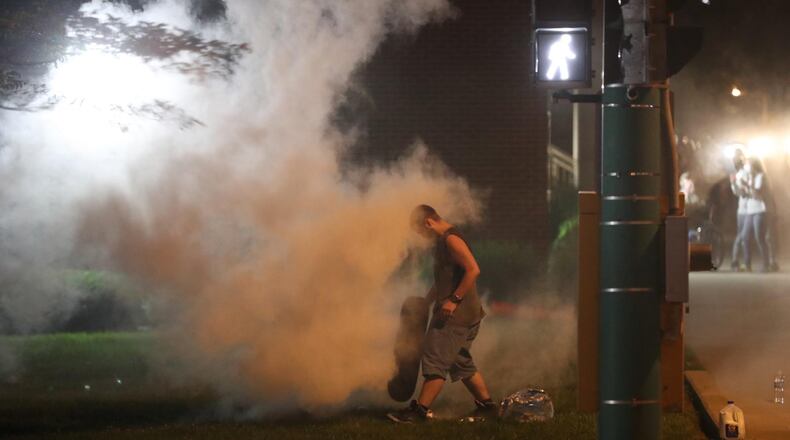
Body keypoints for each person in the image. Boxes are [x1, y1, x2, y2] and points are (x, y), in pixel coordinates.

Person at [387, 205, 495, 423]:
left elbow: (473, 269)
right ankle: (487, 407)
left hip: (456, 317)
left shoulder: (451, 240)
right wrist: (426, 302)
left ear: (428, 223)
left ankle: (419, 412)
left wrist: (454, 301)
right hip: (466, 313)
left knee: (434, 359)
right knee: (459, 361)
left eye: (421, 232)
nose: (422, 237)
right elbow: (444, 279)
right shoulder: (442, 242)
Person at [742, 157, 779, 272]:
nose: (746, 167)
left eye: (748, 164)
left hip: (760, 210)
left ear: (754, 165)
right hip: (750, 210)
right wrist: (741, 186)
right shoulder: (750, 177)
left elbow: (757, 194)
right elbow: (747, 194)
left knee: (760, 237)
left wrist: (748, 185)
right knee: (745, 237)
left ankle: (766, 264)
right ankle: (747, 264)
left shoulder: (761, 177)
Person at [729, 149, 750, 271]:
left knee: (743, 236)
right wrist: (734, 184)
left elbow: (741, 192)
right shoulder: (739, 174)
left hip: (747, 209)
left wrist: (736, 185)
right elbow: (740, 193)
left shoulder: (745, 172)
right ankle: (738, 261)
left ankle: (739, 261)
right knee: (743, 235)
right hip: (744, 209)